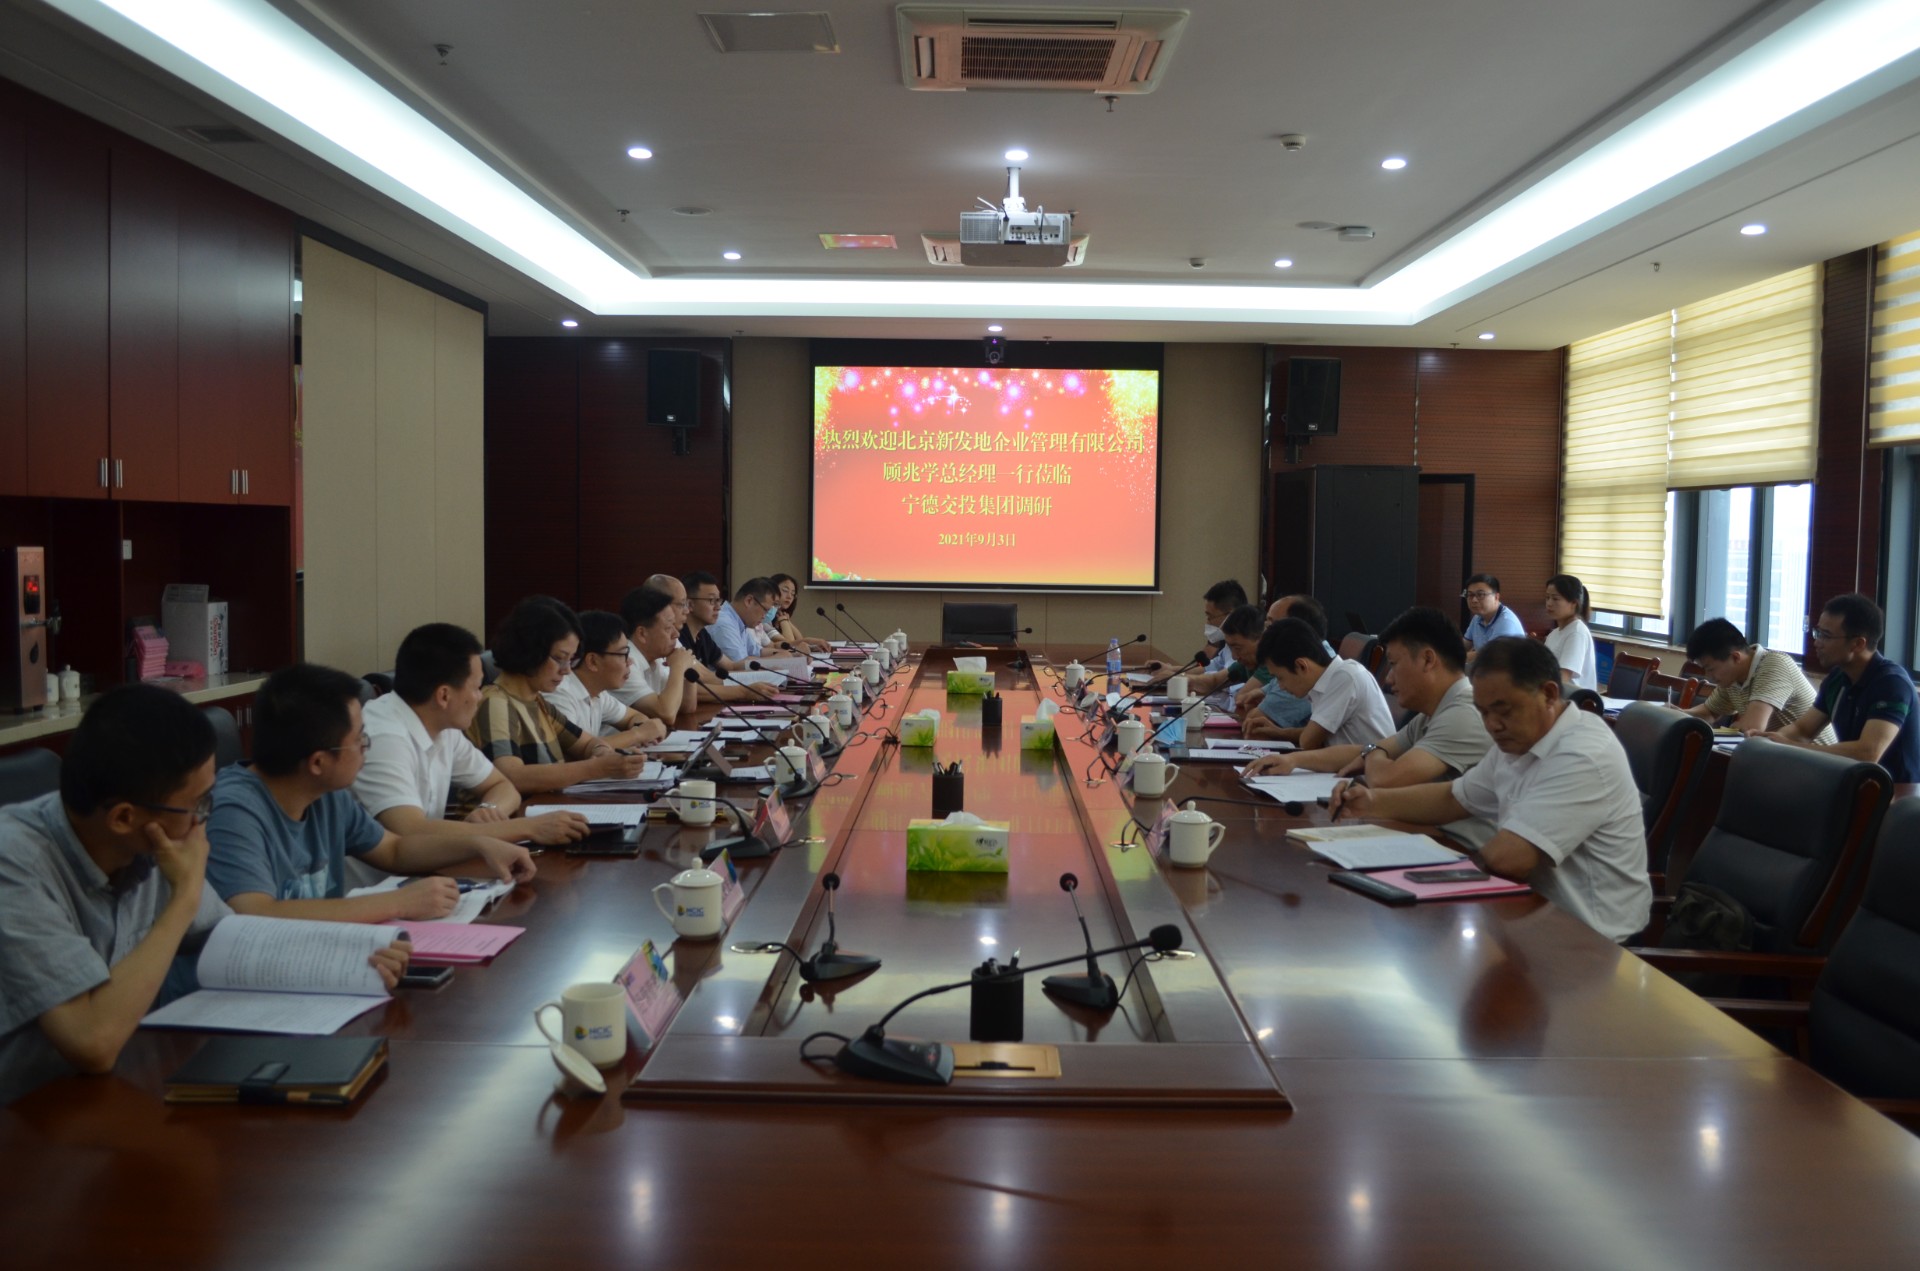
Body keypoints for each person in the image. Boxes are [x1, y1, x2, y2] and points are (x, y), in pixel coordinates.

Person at [0, 686, 400, 1105]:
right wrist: (184, 899)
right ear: (124, 818)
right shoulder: (16, 863)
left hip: (126, 1084)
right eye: (198, 805)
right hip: (29, 1115)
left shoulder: (151, 839)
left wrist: (350, 955)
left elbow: (233, 939)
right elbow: (92, 1043)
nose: (204, 821)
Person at [1330, 637, 1651, 943]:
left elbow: (1510, 858)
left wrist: (1419, 874)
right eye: (1484, 712)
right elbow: (1454, 797)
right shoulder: (1520, 740)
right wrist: (1372, 802)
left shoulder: (1582, 755)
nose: (1493, 725)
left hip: (1592, 942)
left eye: (1504, 710)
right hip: (1528, 914)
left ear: (1549, 694)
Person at [206, 663, 537, 923]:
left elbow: (393, 850)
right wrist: (397, 903)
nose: (367, 746)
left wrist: (478, 843)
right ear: (318, 762)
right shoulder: (233, 810)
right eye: (360, 739)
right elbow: (254, 913)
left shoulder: (326, 794)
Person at [354, 622, 589, 845]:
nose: (480, 696)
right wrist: (528, 828)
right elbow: (410, 831)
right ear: (444, 696)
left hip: (433, 864)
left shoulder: (442, 723)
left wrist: (488, 811)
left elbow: (502, 785)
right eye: (477, 688)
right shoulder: (382, 739)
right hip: (391, 874)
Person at [1247, 607, 1493, 797]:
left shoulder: (1462, 713)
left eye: (1394, 664)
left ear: (1428, 660)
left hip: (1453, 843)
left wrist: (1373, 754)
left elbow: (1386, 778)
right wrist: (1292, 760)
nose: (1388, 678)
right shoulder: (1432, 714)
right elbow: (1364, 750)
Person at [467, 597, 651, 795]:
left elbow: (587, 743)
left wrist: (603, 753)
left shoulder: (537, 702)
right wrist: (598, 767)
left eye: (571, 660)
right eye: (560, 659)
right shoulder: (496, 702)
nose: (566, 670)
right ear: (530, 650)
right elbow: (511, 776)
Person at [1755, 593, 1920, 782]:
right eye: (1817, 632)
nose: (1816, 643)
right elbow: (1802, 731)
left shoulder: (1892, 684)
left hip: (1897, 791)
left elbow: (1868, 753)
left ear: (1858, 644)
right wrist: (1768, 741)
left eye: (1825, 636)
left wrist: (1790, 747)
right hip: (1854, 782)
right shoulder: (1837, 678)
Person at [1680, 617, 1832, 739]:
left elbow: (1752, 727)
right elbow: (1709, 712)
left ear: (1735, 657)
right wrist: (1676, 713)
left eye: (1710, 669)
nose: (1708, 676)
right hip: (1779, 754)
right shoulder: (1732, 677)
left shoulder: (1774, 664)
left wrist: (1735, 727)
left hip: (1815, 758)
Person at [1255, 616, 1394, 750]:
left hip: (1372, 765)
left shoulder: (1345, 676)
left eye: (1280, 678)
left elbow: (1307, 742)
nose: (1280, 686)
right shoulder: (1325, 682)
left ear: (1301, 666)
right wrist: (1278, 732)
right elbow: (1313, 732)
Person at [543, 610, 670, 749]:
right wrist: (638, 734)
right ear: (593, 661)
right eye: (623, 654)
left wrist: (642, 728)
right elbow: (580, 751)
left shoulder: (598, 692)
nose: (630, 661)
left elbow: (632, 716)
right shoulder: (559, 695)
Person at [1240, 595, 1324, 739]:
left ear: (1295, 630)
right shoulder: (1308, 661)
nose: (1264, 633)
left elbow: (1308, 741)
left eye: (1272, 626)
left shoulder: (1310, 670)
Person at [615, 583, 701, 720]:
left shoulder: (657, 658)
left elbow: (687, 706)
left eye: (674, 626)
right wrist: (678, 667)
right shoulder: (625, 663)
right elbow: (666, 713)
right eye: (668, 628)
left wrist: (687, 668)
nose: (676, 634)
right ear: (642, 634)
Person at [1182, 579, 1251, 698]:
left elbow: (1230, 686)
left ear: (1230, 616)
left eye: (1210, 617)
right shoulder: (1228, 645)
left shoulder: (1251, 649)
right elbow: (1211, 667)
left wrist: (1181, 677)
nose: (1207, 623)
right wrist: (1173, 671)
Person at [707, 577, 778, 672]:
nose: (764, 616)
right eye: (765, 610)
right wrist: (778, 660)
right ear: (749, 601)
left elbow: (758, 651)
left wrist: (787, 655)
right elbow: (741, 667)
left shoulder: (739, 621)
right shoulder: (723, 623)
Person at [1542, 573, 1597, 691]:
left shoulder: (1576, 633)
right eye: (1547, 597)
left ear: (1573, 603)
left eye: (1555, 599)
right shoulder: (1554, 633)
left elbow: (1563, 678)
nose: (1549, 603)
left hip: (1574, 699)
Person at [1462, 573, 1526, 661]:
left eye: (1480, 595)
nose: (1474, 600)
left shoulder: (1506, 622)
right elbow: (1465, 645)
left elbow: (1488, 656)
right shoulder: (1477, 618)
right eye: (1470, 595)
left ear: (1496, 597)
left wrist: (1453, 658)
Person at [768, 573, 832, 651]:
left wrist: (787, 621)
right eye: (785, 590)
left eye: (793, 594)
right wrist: (783, 620)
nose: (789, 596)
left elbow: (798, 639)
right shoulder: (764, 619)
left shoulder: (780, 614)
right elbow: (789, 644)